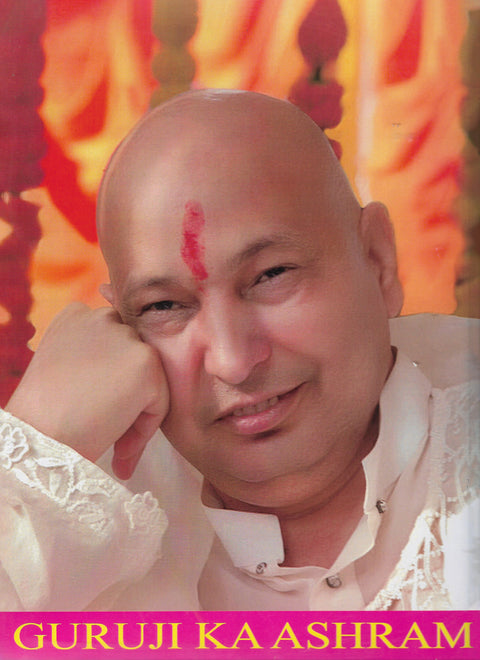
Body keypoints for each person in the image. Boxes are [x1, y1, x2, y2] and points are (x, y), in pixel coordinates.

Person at [0, 89, 478, 611]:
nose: (232, 361)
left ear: (377, 260)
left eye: (271, 275)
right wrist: (33, 446)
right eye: (163, 306)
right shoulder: (80, 499)